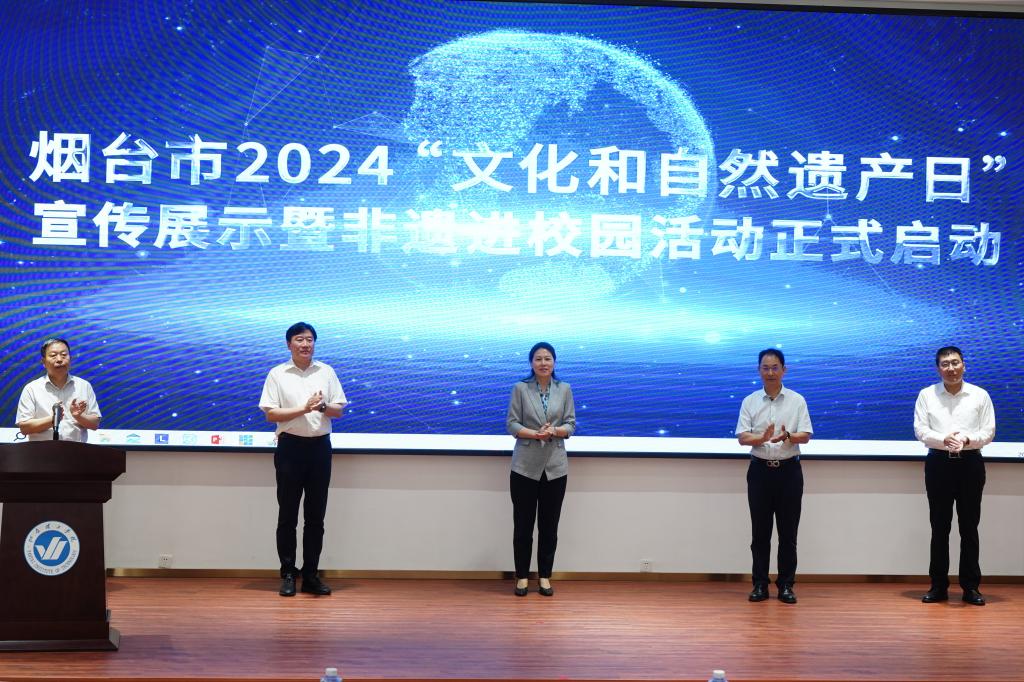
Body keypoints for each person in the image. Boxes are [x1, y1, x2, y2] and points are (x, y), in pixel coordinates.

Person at [259, 322, 347, 597]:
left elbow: (338, 411)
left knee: (315, 517)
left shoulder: (326, 371)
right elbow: (271, 414)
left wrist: (322, 406)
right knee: (287, 516)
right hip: (290, 448)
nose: (305, 344)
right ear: (289, 344)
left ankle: (310, 575)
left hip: (320, 449)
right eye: (299, 339)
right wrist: (304, 408)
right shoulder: (277, 373)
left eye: (309, 340)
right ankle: (288, 574)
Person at [914, 346, 995, 606]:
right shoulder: (927, 395)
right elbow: (920, 430)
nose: (951, 368)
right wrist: (943, 439)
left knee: (969, 527)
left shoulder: (980, 395)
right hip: (938, 463)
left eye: (955, 362)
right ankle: (938, 586)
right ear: (938, 369)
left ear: (964, 365)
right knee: (940, 527)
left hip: (970, 464)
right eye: (945, 364)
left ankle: (971, 587)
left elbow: (989, 431)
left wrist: (968, 439)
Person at [736, 348, 813, 604]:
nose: (770, 372)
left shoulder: (797, 400)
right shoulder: (750, 401)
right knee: (760, 534)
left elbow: (806, 436)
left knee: (788, 534)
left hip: (789, 473)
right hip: (759, 472)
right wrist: (761, 438)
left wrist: (787, 436)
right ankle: (759, 584)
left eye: (775, 367)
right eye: (765, 368)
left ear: (784, 370)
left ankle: (786, 585)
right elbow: (742, 438)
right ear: (759, 370)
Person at [505, 342, 576, 597]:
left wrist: (555, 430)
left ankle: (545, 576)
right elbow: (512, 424)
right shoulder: (520, 388)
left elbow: (571, 424)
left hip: (555, 468)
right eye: (538, 359)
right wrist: (535, 434)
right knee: (523, 526)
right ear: (531, 363)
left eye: (547, 358)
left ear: (554, 362)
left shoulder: (564, 389)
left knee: (549, 527)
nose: (543, 363)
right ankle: (522, 577)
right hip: (524, 467)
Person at [16, 337, 101, 442]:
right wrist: (54, 419)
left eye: (64, 355)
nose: (60, 359)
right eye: (53, 355)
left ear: (70, 359)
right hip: (41, 450)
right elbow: (24, 428)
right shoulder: (32, 388)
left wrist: (79, 416)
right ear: (43, 362)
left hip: (76, 450)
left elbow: (95, 424)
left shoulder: (84, 386)